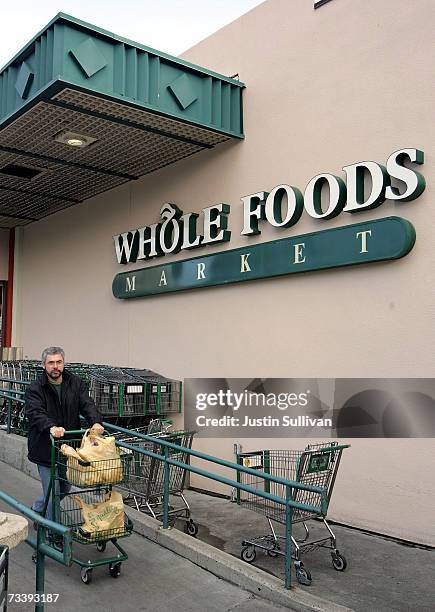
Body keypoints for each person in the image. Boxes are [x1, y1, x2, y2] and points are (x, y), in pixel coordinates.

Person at [25, 346, 103, 521]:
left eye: (58, 362)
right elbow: (35, 412)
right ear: (44, 365)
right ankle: (54, 535)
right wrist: (51, 427)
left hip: (68, 447)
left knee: (65, 487)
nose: (55, 366)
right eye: (51, 362)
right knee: (53, 491)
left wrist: (96, 421)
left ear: (63, 363)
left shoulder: (74, 382)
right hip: (45, 447)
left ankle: (38, 508)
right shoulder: (35, 388)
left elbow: (87, 404)